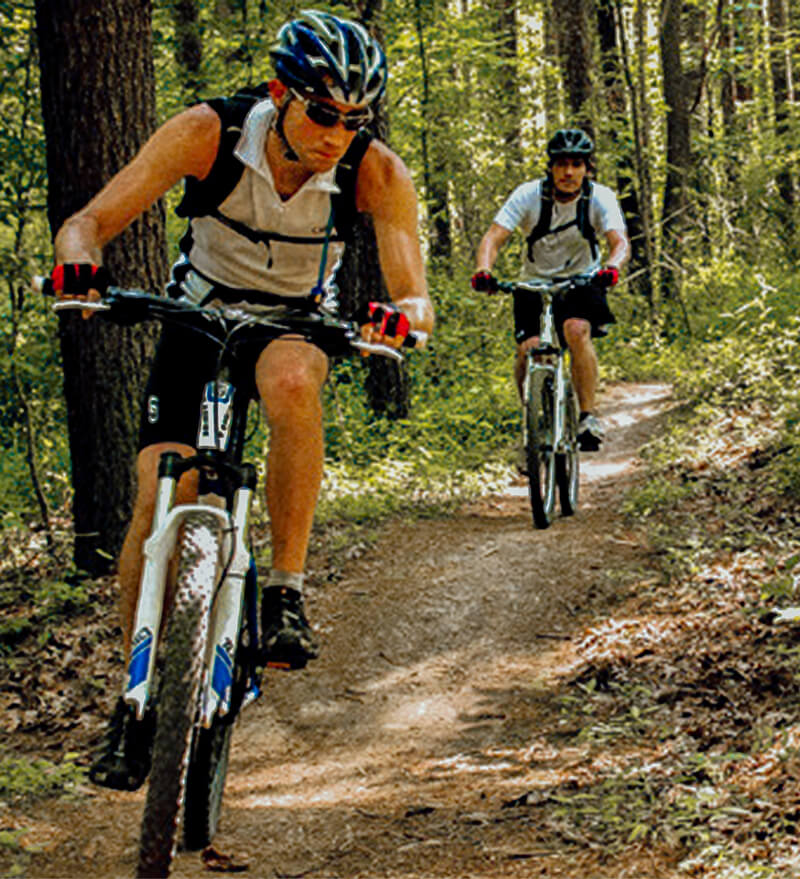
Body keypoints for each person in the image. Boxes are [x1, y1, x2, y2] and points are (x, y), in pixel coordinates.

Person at [49, 10, 434, 790]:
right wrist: (80, 267)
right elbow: (87, 222)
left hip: (291, 323)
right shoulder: (206, 133)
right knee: (160, 495)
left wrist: (405, 318)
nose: (336, 133)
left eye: (354, 118)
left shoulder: (377, 172)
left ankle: (286, 591)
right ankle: (136, 697)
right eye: (322, 112)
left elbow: (415, 294)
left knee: (293, 380)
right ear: (280, 93)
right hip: (196, 314)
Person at [471, 128, 628, 450]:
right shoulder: (528, 195)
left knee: (576, 330)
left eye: (576, 164)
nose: (568, 172)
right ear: (550, 167)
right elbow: (494, 237)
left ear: (587, 168)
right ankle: (533, 422)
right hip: (534, 281)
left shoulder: (600, 198)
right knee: (528, 349)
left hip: (583, 279)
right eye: (561, 164)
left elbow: (619, 241)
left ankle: (587, 416)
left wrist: (611, 267)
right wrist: (484, 270)